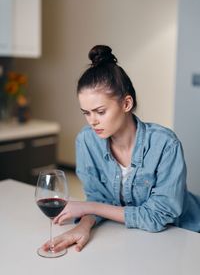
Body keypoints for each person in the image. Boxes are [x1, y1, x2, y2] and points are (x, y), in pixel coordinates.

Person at [43, 45, 200, 253]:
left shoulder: (165, 145)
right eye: (86, 113)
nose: (93, 121)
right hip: (134, 241)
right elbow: (98, 198)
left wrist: (88, 207)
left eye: (100, 111)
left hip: (184, 236)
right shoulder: (86, 141)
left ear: (126, 103)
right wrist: (84, 226)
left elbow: (158, 217)